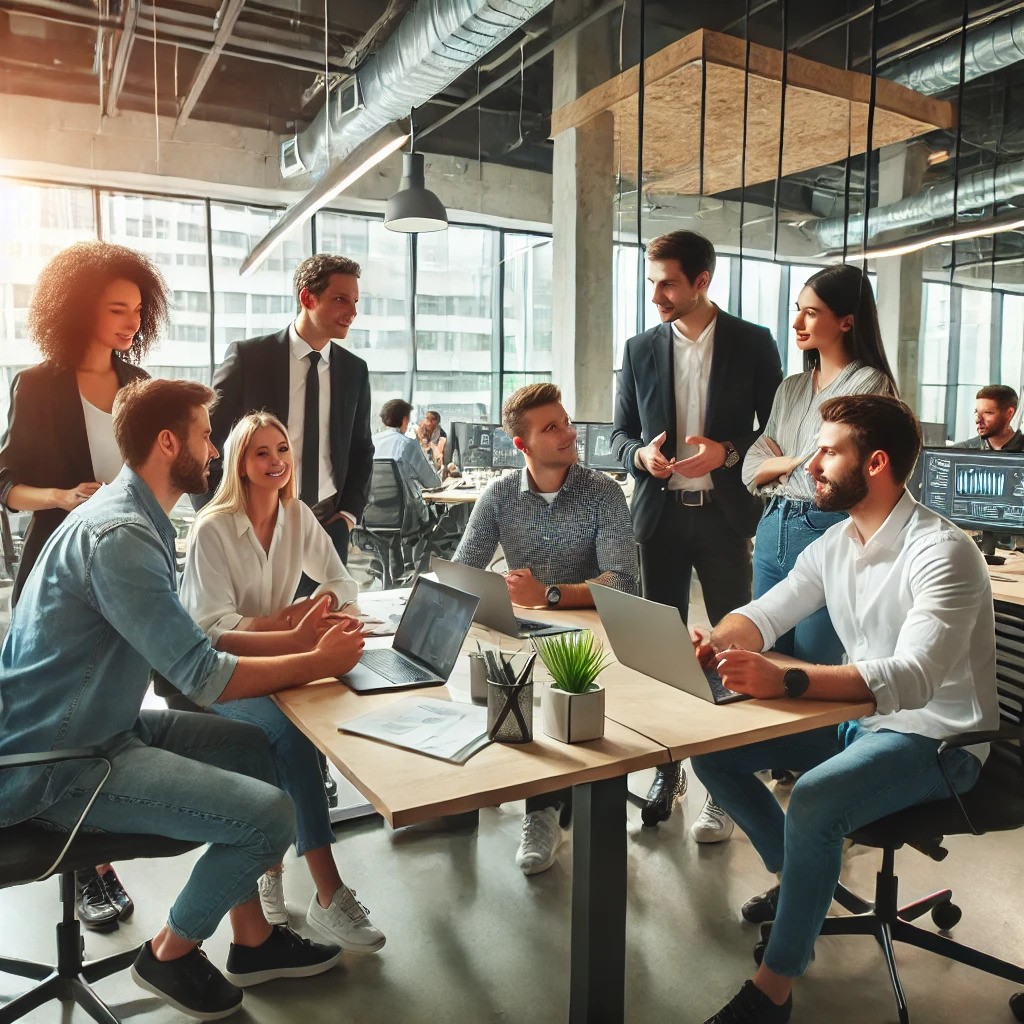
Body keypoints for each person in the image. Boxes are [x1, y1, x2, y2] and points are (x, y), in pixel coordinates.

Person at [0, 378, 368, 1020]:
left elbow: (190, 645)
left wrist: (292, 635)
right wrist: (314, 660)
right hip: (60, 762)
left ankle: (252, 942)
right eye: (204, 435)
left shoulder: (134, 514)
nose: (214, 450)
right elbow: (201, 676)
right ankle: (169, 952)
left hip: (103, 725)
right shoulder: (121, 536)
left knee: (256, 749)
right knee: (269, 814)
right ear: (168, 442)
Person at [693, 394, 997, 1024]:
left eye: (829, 451)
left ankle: (773, 990)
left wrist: (791, 682)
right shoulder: (837, 542)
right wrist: (718, 638)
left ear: (877, 463)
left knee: (812, 799)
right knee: (716, 757)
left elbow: (912, 679)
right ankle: (803, 875)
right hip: (865, 726)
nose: (811, 465)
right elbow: (767, 613)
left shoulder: (942, 551)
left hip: (939, 741)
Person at [0, 240, 168, 930]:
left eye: (137, 310)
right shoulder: (38, 383)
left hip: (126, 572)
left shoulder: (140, 383)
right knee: (67, 721)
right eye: (116, 309)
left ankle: (98, 842)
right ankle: (88, 870)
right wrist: (65, 496)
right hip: (59, 572)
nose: (130, 322)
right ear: (78, 310)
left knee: (115, 710)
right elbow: (7, 488)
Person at [179, 411, 385, 955]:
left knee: (328, 719)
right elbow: (211, 632)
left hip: (284, 661)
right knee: (286, 737)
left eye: (283, 451)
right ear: (240, 464)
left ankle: (272, 872)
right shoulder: (213, 528)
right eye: (261, 453)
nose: (276, 463)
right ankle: (327, 891)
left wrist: (321, 605)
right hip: (221, 675)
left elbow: (342, 580)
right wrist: (285, 626)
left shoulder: (297, 516)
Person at [611, 229, 782, 834]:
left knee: (734, 650)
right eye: (652, 281)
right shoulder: (638, 348)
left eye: (667, 283)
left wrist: (728, 453)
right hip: (658, 517)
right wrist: (640, 458)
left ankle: (728, 777)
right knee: (663, 652)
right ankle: (669, 765)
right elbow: (619, 433)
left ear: (702, 281)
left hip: (724, 517)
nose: (656, 294)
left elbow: (775, 432)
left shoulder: (753, 343)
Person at [454, 382, 638, 875]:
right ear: (522, 445)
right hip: (526, 632)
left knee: (553, 690)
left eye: (566, 421)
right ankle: (539, 804)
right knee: (494, 679)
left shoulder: (603, 492)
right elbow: (463, 569)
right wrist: (494, 589)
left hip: (592, 637)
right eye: (551, 427)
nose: (568, 433)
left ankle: (544, 811)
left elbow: (624, 580)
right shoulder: (498, 496)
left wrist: (551, 594)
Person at [735, 266, 897, 818]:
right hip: (774, 525)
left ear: (846, 321)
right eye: (797, 308)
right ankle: (750, 762)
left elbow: (821, 478)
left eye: (811, 311)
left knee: (810, 672)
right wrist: (788, 462)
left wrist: (780, 465)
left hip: (825, 527)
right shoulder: (791, 388)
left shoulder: (870, 384)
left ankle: (821, 804)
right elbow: (753, 465)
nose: (798, 321)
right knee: (761, 653)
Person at [200, 253, 375, 568]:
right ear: (307, 297)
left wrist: (348, 517)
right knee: (260, 617)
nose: (352, 312)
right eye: (341, 300)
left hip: (326, 524)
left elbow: (361, 450)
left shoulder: (354, 371)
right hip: (255, 523)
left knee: (327, 615)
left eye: (355, 302)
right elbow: (204, 439)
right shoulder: (250, 358)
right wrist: (214, 512)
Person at [955, 384, 1024, 451]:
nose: (978, 420)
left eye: (987, 413)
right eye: (976, 412)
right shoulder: (963, 450)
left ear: (1009, 413)